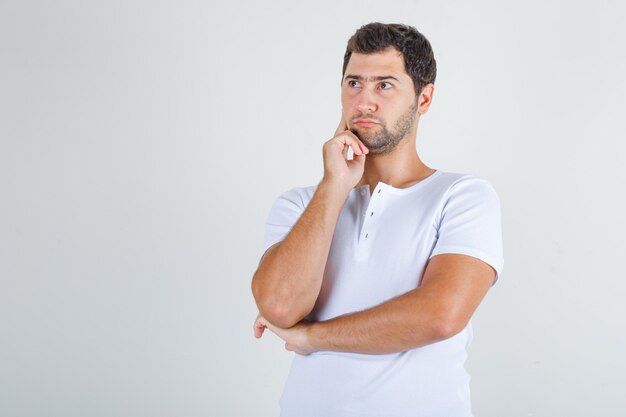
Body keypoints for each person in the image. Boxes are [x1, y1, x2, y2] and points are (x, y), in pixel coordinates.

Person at [251, 22, 503, 417]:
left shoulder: (462, 197)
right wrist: (334, 187)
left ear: (424, 99)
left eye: (384, 85)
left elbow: (440, 315)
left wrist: (313, 337)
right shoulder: (301, 205)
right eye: (354, 83)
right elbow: (280, 306)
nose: (364, 101)